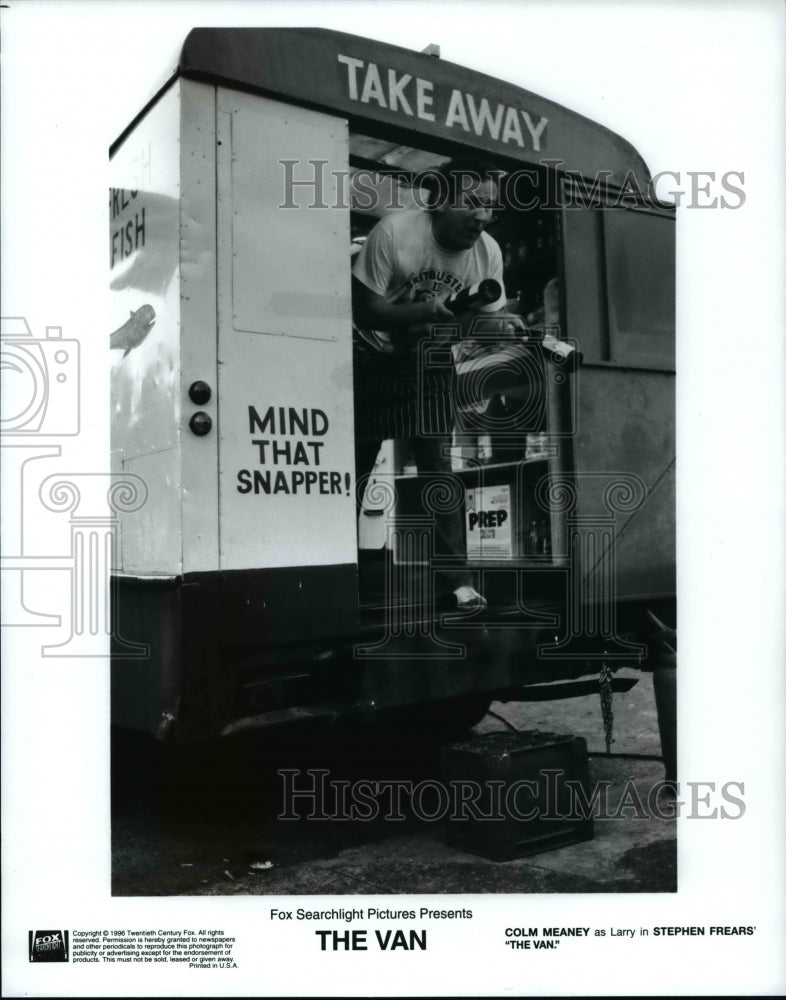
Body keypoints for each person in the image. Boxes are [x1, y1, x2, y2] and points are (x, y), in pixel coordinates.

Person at [352, 157, 523, 611]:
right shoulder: (394, 233)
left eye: (490, 206)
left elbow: (480, 324)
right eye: (473, 202)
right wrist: (424, 312)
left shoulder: (487, 252)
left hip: (429, 359)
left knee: (437, 463)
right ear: (440, 201)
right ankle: (337, 570)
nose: (483, 215)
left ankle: (455, 582)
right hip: (370, 355)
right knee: (357, 465)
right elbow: (364, 309)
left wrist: (501, 327)